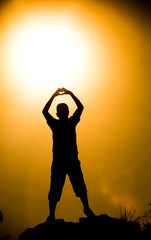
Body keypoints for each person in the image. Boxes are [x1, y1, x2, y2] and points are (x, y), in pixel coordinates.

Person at [42, 88, 95, 222]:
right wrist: (68, 94)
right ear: (60, 113)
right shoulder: (62, 123)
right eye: (62, 111)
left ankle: (86, 208)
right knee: (55, 189)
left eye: (63, 111)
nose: (63, 113)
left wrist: (56, 95)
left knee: (79, 186)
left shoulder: (67, 123)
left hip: (70, 161)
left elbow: (45, 111)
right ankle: (52, 214)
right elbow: (80, 107)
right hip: (62, 162)